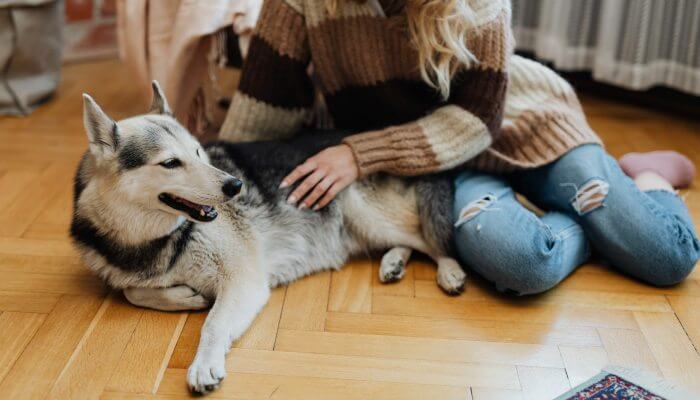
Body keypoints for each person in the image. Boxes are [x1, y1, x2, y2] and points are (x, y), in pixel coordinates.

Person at [219, 0, 699, 294]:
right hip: (440, 163)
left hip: (527, 126)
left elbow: (477, 122)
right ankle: (594, 217)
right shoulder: (302, 1)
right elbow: (266, 107)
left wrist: (358, 154)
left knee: (667, 257)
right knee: (524, 264)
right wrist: (218, 184)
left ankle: (646, 174)